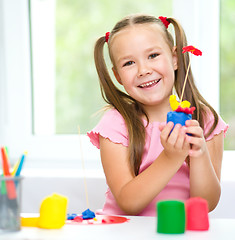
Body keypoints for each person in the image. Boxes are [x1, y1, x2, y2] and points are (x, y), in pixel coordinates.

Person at [87, 14, 228, 216]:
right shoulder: (116, 124)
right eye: (129, 63)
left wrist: (200, 154)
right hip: (125, 232)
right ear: (117, 76)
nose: (143, 70)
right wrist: (171, 157)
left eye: (153, 56)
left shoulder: (206, 121)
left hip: (178, 231)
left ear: (175, 59)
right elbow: (129, 202)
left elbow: (206, 204)